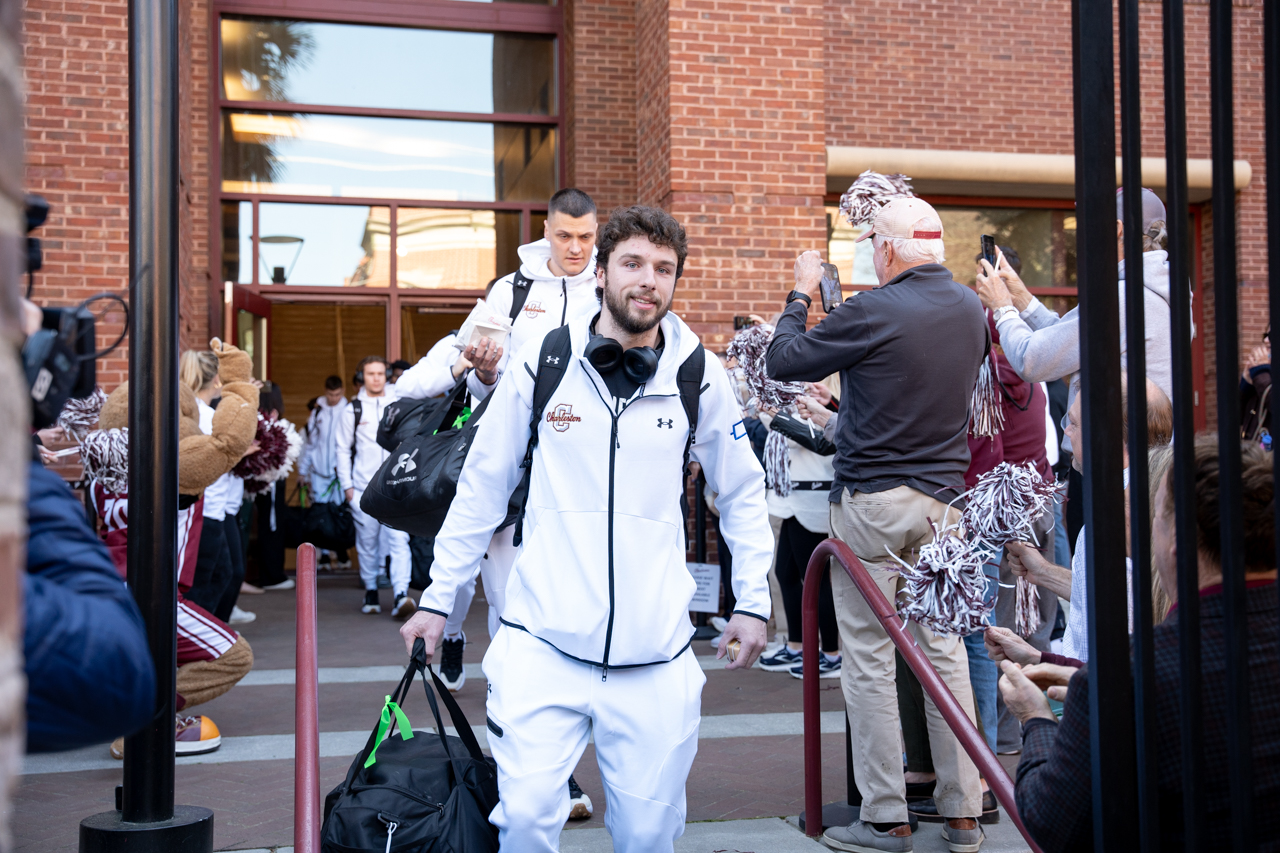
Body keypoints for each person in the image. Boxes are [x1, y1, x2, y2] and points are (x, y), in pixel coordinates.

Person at [399, 205, 774, 852]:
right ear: (601, 273)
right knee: (521, 824)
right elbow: (483, 485)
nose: (647, 279)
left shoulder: (697, 373)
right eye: (632, 263)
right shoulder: (544, 358)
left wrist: (753, 601)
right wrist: (440, 600)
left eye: (663, 268)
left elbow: (740, 491)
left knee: (650, 835)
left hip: (654, 656)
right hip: (541, 643)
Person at [765, 197, 989, 852]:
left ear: (887, 250)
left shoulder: (873, 307)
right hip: (945, 502)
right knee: (943, 653)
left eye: (872, 246)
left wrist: (800, 291)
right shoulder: (971, 309)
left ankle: (886, 815)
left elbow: (782, 359)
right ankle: (965, 812)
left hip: (874, 497)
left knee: (866, 655)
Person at [999, 434, 1280, 851]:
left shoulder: (1135, 676)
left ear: (1174, 543)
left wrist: (1035, 720)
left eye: (1155, 519)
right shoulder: (1128, 675)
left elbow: (1052, 822)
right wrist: (1068, 670)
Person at [1004, 378, 1172, 663]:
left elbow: (1120, 653)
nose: (1066, 432)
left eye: (1075, 424)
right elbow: (1107, 597)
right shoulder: (1147, 496)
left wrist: (1041, 661)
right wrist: (1043, 572)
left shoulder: (1121, 517)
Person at [975, 186, 1175, 419]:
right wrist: (1020, 298)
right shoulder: (1154, 291)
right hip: (1138, 449)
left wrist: (1001, 307)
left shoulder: (1120, 299)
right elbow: (1066, 341)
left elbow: (1031, 361)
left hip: (1112, 451)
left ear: (1117, 230)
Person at [335, 355, 414, 618]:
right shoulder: (352, 409)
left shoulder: (399, 403)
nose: (377, 378)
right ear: (362, 377)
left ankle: (401, 593)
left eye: (381, 373)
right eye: (371, 374)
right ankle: (370, 589)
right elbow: (342, 450)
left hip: (395, 486)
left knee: (399, 539)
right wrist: (347, 487)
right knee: (367, 542)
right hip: (363, 488)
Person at [298, 375, 350, 570]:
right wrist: (303, 471)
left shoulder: (347, 409)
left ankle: (341, 551)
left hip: (338, 472)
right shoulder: (318, 410)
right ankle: (325, 556)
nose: (334, 398)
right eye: (330, 394)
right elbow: (311, 443)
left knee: (337, 512)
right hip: (319, 471)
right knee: (320, 514)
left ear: (342, 392)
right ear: (325, 391)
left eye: (337, 394)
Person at [1241, 327, 1271, 448]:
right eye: (1266, 336)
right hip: (1256, 459)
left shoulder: (1263, 376)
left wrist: (1261, 373)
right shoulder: (1264, 376)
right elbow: (1236, 419)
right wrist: (1245, 386)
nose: (1266, 340)